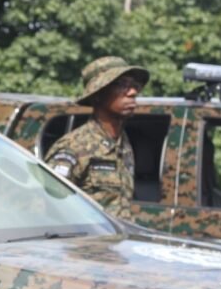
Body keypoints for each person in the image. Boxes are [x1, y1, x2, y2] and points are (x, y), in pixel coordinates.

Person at [45, 56, 150, 220]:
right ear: (97, 95)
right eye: (122, 85)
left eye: (134, 86)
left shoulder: (123, 144)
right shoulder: (74, 147)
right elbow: (50, 206)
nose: (132, 92)